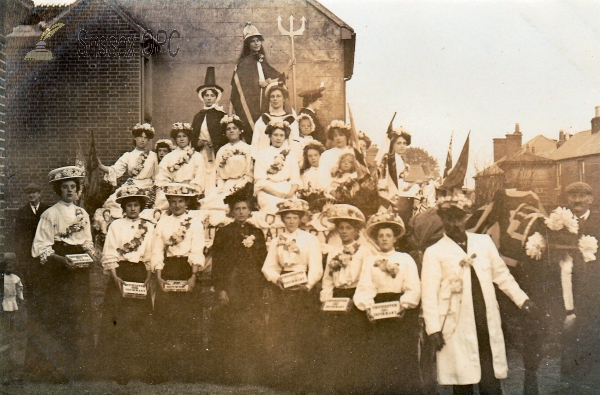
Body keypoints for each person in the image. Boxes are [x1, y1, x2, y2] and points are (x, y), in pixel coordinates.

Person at [421, 194, 536, 395]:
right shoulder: (435, 252)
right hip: (456, 323)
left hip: (484, 316)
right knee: (462, 379)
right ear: (442, 219)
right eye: (448, 218)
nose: (453, 223)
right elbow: (429, 293)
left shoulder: (483, 243)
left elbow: (502, 275)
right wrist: (433, 329)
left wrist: (522, 299)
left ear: (465, 217)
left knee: (489, 376)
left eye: (458, 217)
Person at [29, 166, 96, 382]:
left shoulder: (82, 213)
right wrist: (60, 260)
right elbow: (41, 247)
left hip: (79, 269)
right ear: (59, 190)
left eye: (73, 187)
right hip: (59, 269)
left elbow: (87, 241)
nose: (69, 191)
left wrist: (90, 254)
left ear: (77, 190)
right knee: (61, 316)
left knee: (81, 315)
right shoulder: (50, 214)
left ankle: (81, 368)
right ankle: (58, 369)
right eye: (65, 187)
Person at [353, 208, 422, 393]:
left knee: (400, 355)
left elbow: (413, 286)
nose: (384, 238)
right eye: (381, 235)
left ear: (394, 238)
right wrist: (368, 307)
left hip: (400, 309)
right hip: (378, 309)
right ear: (376, 238)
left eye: (388, 235)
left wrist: (404, 305)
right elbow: (365, 286)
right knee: (378, 355)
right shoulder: (370, 260)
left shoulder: (405, 259)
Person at [261, 198, 323, 390]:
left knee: (302, 332)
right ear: (282, 219)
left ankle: (303, 379)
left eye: (294, 217)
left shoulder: (310, 239)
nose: (291, 221)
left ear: (300, 219)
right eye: (287, 217)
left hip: (303, 291)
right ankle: (282, 378)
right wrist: (276, 279)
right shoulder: (276, 241)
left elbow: (316, 267)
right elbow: (268, 267)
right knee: (282, 333)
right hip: (283, 291)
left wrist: (308, 284)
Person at [150, 183, 206, 382]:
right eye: (172, 202)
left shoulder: (195, 223)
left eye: (180, 201)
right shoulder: (163, 223)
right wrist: (158, 275)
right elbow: (156, 250)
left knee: (188, 319)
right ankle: (164, 369)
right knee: (166, 319)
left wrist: (193, 276)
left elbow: (197, 250)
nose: (176, 205)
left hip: (186, 269)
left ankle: (189, 371)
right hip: (168, 269)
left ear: (187, 202)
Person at [98, 185, 154, 384]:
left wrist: (148, 276)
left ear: (140, 207)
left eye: (136, 205)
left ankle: (142, 369)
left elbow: (150, 254)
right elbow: (110, 251)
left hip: (139, 273)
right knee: (119, 321)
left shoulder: (149, 226)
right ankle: (120, 370)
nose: (132, 209)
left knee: (140, 321)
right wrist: (114, 277)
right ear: (124, 207)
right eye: (129, 205)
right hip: (120, 273)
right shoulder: (116, 226)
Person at [211, 195, 268, 385]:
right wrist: (222, 289)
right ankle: (231, 374)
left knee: (253, 325)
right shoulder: (223, 233)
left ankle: (253, 374)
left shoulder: (257, 232)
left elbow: (263, 261)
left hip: (252, 285)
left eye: (244, 208)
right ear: (231, 212)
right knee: (232, 326)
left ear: (250, 210)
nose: (241, 212)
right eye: (237, 209)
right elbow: (218, 263)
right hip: (232, 284)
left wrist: (263, 286)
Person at [319, 204, 371, 392]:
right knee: (336, 342)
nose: (344, 232)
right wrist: (327, 298)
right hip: (337, 299)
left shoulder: (364, 252)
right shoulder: (333, 251)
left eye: (348, 228)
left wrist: (356, 300)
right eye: (341, 228)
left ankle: (356, 385)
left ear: (356, 230)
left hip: (355, 298)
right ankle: (339, 385)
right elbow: (327, 279)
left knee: (355, 343)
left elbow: (366, 278)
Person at [559, 182, 600, 391]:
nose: (577, 200)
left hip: (594, 289)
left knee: (592, 335)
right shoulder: (558, 223)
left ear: (591, 199)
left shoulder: (598, 221)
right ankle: (569, 381)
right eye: (572, 195)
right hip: (566, 288)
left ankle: (590, 383)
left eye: (582, 195)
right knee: (568, 335)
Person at [230, 22, 293, 138]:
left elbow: (275, 77)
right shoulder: (244, 63)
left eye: (258, 40)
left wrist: (287, 70)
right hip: (252, 103)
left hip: (264, 102)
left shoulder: (261, 60)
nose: (256, 43)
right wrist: (260, 84)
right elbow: (243, 87)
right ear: (247, 44)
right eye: (252, 41)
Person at [191, 67, 228, 195]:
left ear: (216, 97)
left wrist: (216, 142)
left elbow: (226, 134)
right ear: (202, 97)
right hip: (202, 150)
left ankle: (212, 196)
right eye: (206, 95)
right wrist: (197, 143)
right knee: (201, 171)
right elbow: (193, 134)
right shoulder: (198, 115)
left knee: (214, 172)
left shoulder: (220, 115)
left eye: (212, 95)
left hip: (216, 150)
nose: (209, 98)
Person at [253, 120, 301, 214]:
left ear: (285, 137)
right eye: (275, 135)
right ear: (270, 136)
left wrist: (290, 194)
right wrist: (278, 194)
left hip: (287, 189)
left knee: (292, 208)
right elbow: (260, 181)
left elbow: (295, 179)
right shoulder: (262, 154)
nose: (278, 138)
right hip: (268, 191)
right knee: (273, 208)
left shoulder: (291, 154)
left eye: (281, 135)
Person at [155, 123, 205, 209]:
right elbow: (162, 175)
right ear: (175, 138)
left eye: (184, 136)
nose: (181, 139)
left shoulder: (197, 156)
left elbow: (199, 176)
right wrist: (171, 186)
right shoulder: (168, 156)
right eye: (179, 136)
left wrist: (189, 186)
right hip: (172, 191)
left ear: (189, 138)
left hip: (189, 190)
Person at [97, 122, 158, 193]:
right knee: (112, 202)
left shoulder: (153, 156)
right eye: (140, 137)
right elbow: (115, 170)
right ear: (135, 138)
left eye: (145, 138)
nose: (142, 140)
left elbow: (157, 175)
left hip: (148, 186)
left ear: (148, 140)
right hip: (131, 185)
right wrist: (100, 166)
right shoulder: (128, 155)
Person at [13, 183, 49, 298]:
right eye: (29, 193)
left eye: (34, 192)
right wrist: (21, 254)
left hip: (44, 250)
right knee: (30, 281)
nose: (31, 195)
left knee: (45, 280)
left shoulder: (47, 210)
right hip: (28, 253)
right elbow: (18, 235)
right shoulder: (22, 212)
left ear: (39, 194)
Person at [250, 82, 299, 157]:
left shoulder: (291, 120)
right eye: (272, 96)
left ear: (284, 98)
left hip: (284, 160)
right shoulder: (262, 120)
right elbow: (255, 143)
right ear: (269, 99)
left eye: (278, 96)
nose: (275, 99)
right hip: (264, 159)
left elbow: (294, 144)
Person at [213, 115, 253, 202]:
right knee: (214, 202)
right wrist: (220, 188)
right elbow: (219, 174)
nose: (231, 131)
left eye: (234, 128)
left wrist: (240, 186)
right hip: (226, 185)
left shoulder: (248, 148)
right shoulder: (222, 150)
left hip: (243, 185)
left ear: (240, 131)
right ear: (225, 133)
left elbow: (250, 174)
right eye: (228, 129)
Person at [376, 126, 420, 202]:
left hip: (393, 190)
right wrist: (410, 185)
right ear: (392, 145)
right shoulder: (392, 159)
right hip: (389, 192)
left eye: (404, 143)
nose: (402, 146)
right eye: (399, 143)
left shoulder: (398, 158)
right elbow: (392, 180)